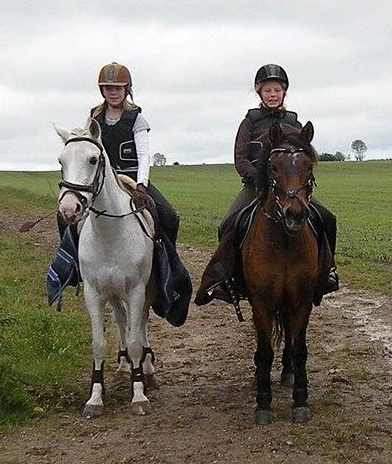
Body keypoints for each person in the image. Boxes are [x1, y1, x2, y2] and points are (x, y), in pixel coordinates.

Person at [196, 63, 339, 305]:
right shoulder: (250, 121)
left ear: (284, 93)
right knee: (228, 223)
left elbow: (303, 157)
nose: (273, 95)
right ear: (259, 92)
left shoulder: (294, 123)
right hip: (256, 187)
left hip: (290, 190)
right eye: (267, 90)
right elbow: (240, 157)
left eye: (277, 90)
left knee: (327, 218)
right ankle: (225, 278)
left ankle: (326, 272)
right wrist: (257, 178)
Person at [65, 62, 180, 244]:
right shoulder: (94, 118)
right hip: (103, 179)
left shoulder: (136, 118)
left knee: (169, 216)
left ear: (127, 89)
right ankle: (69, 263)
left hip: (133, 178)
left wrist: (141, 185)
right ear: (102, 90)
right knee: (65, 216)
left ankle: (169, 265)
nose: (113, 93)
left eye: (118, 88)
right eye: (108, 88)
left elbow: (143, 155)